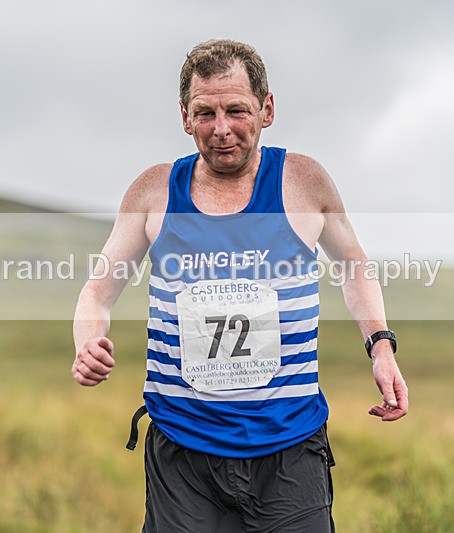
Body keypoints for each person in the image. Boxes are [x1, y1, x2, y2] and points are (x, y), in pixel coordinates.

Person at [72, 39, 408, 532]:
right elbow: (97, 291)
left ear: (267, 109)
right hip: (183, 449)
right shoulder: (154, 191)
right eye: (205, 113)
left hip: (290, 448)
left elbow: (354, 265)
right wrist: (87, 343)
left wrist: (380, 345)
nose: (221, 129)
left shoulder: (304, 182)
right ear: (185, 116)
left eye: (237, 110)